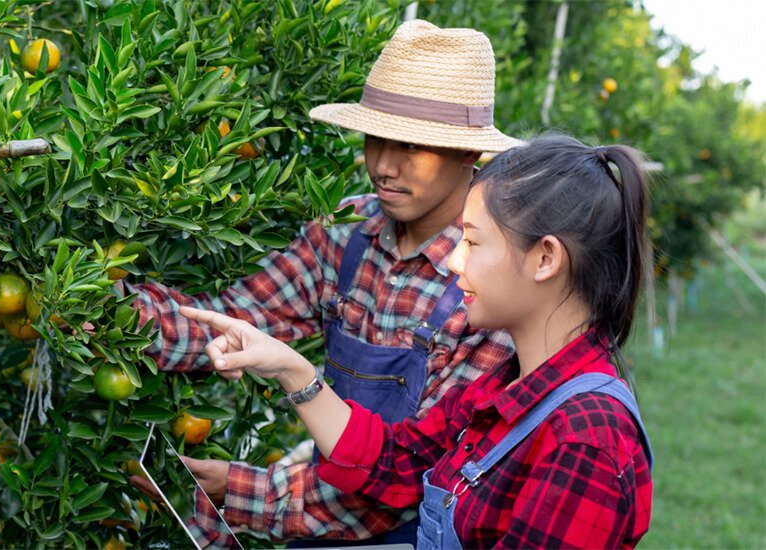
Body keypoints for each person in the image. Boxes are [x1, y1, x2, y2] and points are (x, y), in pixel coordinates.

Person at [125, 20, 518, 545]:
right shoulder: (347, 233)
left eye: (410, 146)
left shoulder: (489, 284)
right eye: (374, 138)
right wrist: (106, 310)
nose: (382, 165)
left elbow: (417, 474)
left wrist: (242, 490)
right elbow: (237, 320)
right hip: (317, 523)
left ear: (469, 152)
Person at [181, 135, 654, 548]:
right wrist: (292, 370)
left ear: (545, 258)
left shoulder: (585, 439)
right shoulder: (503, 389)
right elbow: (392, 464)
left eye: (472, 242)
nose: (452, 261)